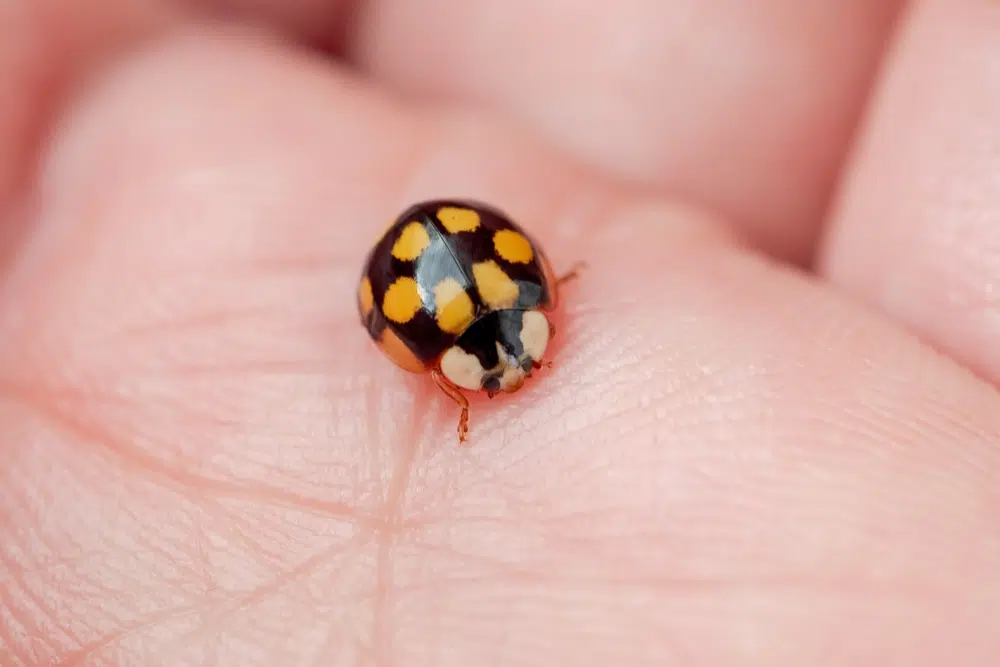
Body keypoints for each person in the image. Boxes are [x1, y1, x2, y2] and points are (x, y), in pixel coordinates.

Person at [3, 1, 998, 664]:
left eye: (512, 351)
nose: (522, 365)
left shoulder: (488, 323)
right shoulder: (452, 333)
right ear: (458, 363)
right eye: (505, 357)